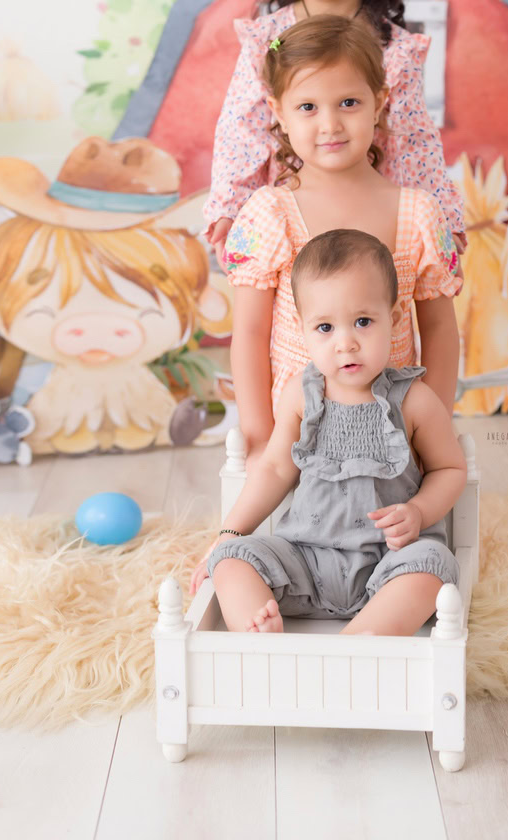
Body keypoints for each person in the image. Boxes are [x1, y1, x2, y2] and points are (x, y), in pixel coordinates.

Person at [190, 229, 467, 637]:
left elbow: (449, 469)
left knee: (434, 566)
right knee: (231, 559)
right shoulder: (300, 397)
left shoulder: (414, 400)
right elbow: (274, 470)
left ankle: (359, 638)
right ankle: (259, 634)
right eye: (325, 328)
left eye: (362, 321)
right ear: (302, 330)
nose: (346, 343)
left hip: (388, 561)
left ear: (392, 320)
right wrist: (230, 532)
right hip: (304, 559)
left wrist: (420, 511)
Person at [221, 13, 462, 458]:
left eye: (348, 103)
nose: (329, 124)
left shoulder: (417, 214)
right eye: (308, 107)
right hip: (296, 437)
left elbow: (441, 329)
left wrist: (434, 426)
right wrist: (259, 437)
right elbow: (250, 333)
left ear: (380, 101)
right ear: (279, 113)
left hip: (391, 434)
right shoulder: (271, 214)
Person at [203, 0, 464, 265]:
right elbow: (241, 131)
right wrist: (229, 206)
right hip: (289, 223)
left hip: (367, 227)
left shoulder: (393, 51)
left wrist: (439, 217)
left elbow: (412, 143)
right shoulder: (266, 42)